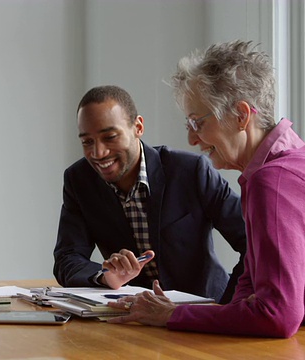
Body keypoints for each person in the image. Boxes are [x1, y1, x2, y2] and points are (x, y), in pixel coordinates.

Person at [107, 40, 305, 338]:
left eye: (196, 122)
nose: (191, 139)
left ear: (241, 115)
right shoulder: (275, 168)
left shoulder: (272, 181)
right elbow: (250, 288)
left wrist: (173, 314)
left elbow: (277, 315)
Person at [53, 85, 247, 304]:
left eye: (110, 137)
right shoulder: (79, 180)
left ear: (138, 127)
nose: (98, 153)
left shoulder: (191, 171)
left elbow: (251, 242)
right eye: (87, 142)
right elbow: (67, 258)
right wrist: (106, 277)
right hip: (134, 317)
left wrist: (228, 305)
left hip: (200, 311)